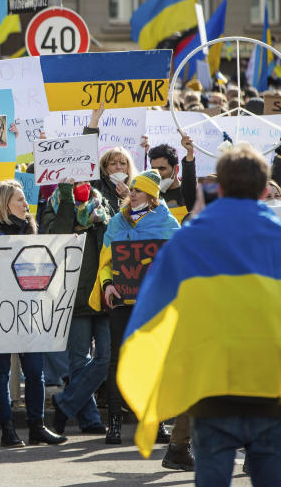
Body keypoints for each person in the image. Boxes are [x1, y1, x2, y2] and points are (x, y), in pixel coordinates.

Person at [116, 144, 281, 487]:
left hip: (210, 388)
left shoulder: (187, 240)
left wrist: (152, 393)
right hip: (270, 389)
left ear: (218, 189)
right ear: (266, 190)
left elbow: (149, 317)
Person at [0, 179, 67, 447]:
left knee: (36, 371)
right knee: (0, 371)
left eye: (25, 200)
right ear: (4, 204)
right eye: (20, 200)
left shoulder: (30, 230)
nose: (26, 204)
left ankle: (37, 427)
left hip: (27, 313)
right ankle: (8, 429)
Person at [87, 169, 180, 446]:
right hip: (122, 301)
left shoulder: (168, 222)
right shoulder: (116, 222)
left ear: (151, 196)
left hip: (154, 303)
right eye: (133, 189)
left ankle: (155, 422)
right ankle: (114, 424)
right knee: (117, 360)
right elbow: (106, 263)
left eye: (138, 190)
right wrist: (108, 286)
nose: (132, 192)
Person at [40, 175, 112, 436]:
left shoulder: (101, 202)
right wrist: (67, 194)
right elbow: (58, 234)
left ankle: (65, 403)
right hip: (73, 294)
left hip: (103, 292)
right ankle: (90, 419)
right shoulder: (55, 203)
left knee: (106, 357)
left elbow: (111, 240)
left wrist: (94, 221)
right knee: (78, 361)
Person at [147, 135, 197, 214]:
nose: (157, 174)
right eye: (154, 169)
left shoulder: (188, 193)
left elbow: (189, 179)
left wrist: (190, 152)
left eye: (162, 169)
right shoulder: (149, 195)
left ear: (176, 169)